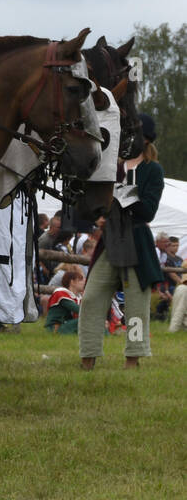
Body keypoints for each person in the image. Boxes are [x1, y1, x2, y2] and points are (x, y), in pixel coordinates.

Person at [78, 113, 163, 369]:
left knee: (136, 306)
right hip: (110, 240)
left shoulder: (153, 170)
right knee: (92, 298)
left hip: (137, 242)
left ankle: (133, 359)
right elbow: (95, 201)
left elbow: (147, 210)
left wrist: (120, 194)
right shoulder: (111, 167)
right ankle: (88, 357)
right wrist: (102, 216)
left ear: (144, 138)